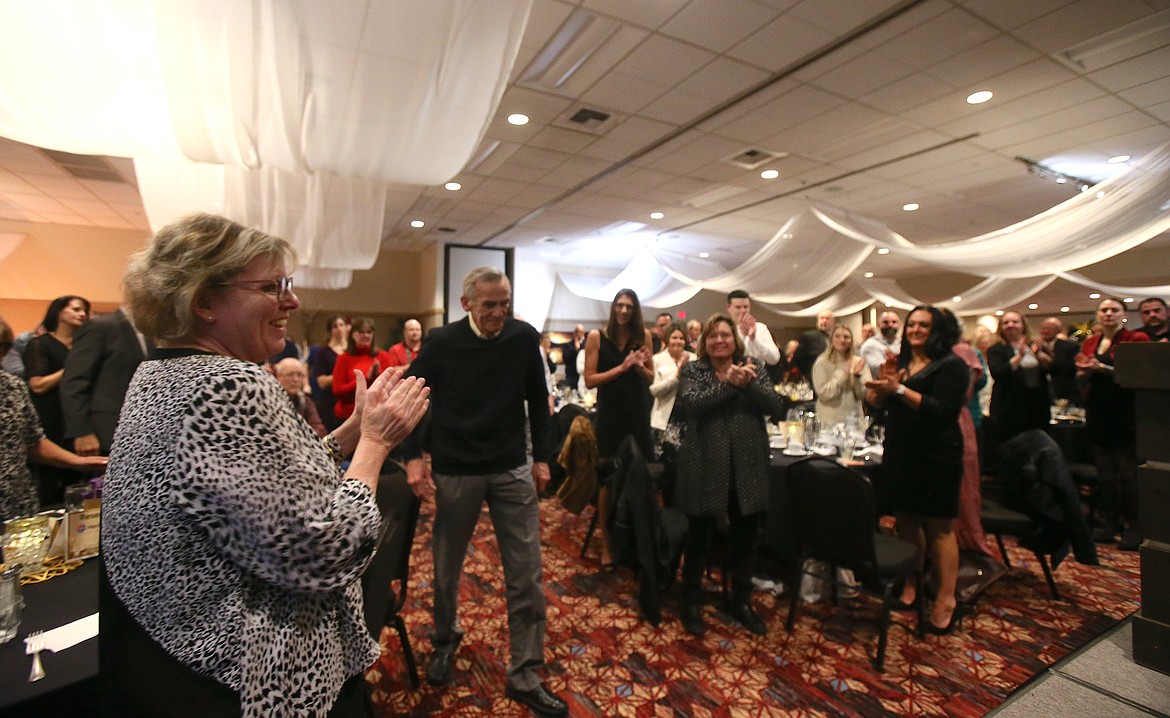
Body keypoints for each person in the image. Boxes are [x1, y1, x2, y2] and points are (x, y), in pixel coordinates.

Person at [100, 212, 430, 717]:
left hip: (165, 659)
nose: (292, 301)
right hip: (253, 675)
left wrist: (350, 433)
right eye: (272, 286)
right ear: (203, 301)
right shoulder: (228, 385)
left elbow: (267, 490)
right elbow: (324, 551)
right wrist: (376, 445)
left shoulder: (159, 376)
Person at [402, 267, 567, 718]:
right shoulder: (441, 342)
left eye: (504, 304)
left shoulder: (522, 338)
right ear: (466, 304)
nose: (498, 313)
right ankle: (444, 639)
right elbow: (411, 396)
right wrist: (413, 456)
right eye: (489, 304)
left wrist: (543, 457)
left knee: (527, 573)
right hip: (456, 469)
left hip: (511, 465)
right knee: (445, 568)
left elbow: (539, 399)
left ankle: (525, 672)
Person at [674, 314, 785, 637]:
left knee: (746, 540)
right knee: (699, 538)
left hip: (746, 464)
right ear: (704, 342)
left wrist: (748, 384)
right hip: (704, 462)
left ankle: (741, 601)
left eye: (725, 334)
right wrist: (729, 386)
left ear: (735, 340)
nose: (719, 340)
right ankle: (691, 600)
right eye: (712, 335)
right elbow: (691, 405)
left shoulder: (753, 367)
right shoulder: (695, 370)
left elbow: (776, 407)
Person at [866, 305, 970, 635]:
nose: (916, 330)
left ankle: (946, 597)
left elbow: (941, 410)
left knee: (939, 528)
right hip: (901, 450)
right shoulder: (903, 362)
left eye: (924, 325)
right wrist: (883, 385)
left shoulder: (952, 366)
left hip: (937, 453)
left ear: (937, 330)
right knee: (906, 522)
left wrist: (898, 388)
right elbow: (876, 405)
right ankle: (910, 585)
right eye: (912, 324)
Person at [1, 319, 108, 522]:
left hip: (17, 506)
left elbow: (33, 442)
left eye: (2, 346)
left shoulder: (12, 386)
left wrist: (77, 461)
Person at [584, 288, 654, 569]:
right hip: (610, 415)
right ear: (613, 309)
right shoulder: (597, 337)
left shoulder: (644, 337)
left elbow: (650, 379)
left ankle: (638, 539)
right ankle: (607, 544)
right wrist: (623, 368)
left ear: (635, 310)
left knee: (642, 475)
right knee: (607, 481)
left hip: (638, 414)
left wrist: (638, 368)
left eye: (629, 307)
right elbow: (590, 380)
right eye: (619, 306)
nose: (624, 311)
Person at [1076, 297, 1150, 551]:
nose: (1108, 314)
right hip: (1098, 413)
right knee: (1105, 474)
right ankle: (1109, 524)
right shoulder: (1090, 341)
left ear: (1123, 314)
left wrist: (1102, 367)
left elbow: (1139, 373)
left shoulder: (1135, 339)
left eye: (1114, 310)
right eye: (1104, 310)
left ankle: (1135, 527)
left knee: (1128, 474)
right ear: (1098, 314)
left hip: (1125, 413)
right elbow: (1083, 375)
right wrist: (1084, 371)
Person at [25, 295, 91, 505]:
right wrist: (72, 369)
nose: (82, 314)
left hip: (79, 421)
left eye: (84, 311)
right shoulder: (40, 344)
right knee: (50, 484)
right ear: (60, 312)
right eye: (76, 309)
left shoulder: (85, 346)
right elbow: (38, 385)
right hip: (51, 419)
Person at [60, 307, 147, 456]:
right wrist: (82, 432)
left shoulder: (153, 332)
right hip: (106, 432)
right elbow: (75, 382)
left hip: (140, 433)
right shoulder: (101, 327)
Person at [987, 311, 1051, 443]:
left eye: (1015, 322)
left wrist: (1039, 354)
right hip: (1009, 406)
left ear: (1023, 325)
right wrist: (1019, 356)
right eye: (1006, 322)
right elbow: (998, 373)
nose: (1010, 325)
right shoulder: (997, 349)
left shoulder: (1035, 345)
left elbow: (1053, 368)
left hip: (1036, 404)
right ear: (1001, 327)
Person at [331, 317, 392, 422]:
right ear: (352, 335)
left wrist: (376, 376)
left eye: (369, 332)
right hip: (349, 416)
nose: (366, 335)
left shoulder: (383, 356)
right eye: (361, 332)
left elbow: (390, 387)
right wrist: (364, 379)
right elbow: (338, 391)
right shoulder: (343, 358)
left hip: (377, 414)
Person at [650, 322, 696, 455]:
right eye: (674, 338)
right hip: (666, 418)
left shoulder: (693, 358)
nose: (678, 341)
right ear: (667, 339)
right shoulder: (657, 359)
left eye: (681, 338)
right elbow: (655, 391)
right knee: (668, 460)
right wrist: (677, 376)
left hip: (688, 416)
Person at [811, 324, 870, 427]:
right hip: (829, 421)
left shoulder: (859, 362)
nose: (842, 340)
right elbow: (824, 394)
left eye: (846, 337)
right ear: (831, 340)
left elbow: (863, 394)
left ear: (851, 341)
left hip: (854, 420)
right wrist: (844, 376)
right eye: (837, 336)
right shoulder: (822, 362)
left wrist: (856, 377)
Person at [310, 314, 350, 431]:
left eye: (341, 325)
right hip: (331, 402)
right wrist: (341, 376)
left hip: (351, 402)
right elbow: (321, 381)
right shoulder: (323, 353)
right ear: (330, 330)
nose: (339, 329)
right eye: (335, 326)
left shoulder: (352, 351)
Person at [274, 356, 327, 437]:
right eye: (290, 374)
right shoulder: (272, 400)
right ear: (278, 377)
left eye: (300, 375)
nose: (296, 379)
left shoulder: (305, 400)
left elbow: (319, 428)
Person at [726, 290, 781, 366]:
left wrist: (754, 339)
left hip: (757, 373)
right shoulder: (725, 329)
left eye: (746, 307)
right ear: (729, 308)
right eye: (738, 307)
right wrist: (742, 336)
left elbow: (774, 359)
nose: (743, 311)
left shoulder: (761, 328)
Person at [1036, 317, 1081, 406]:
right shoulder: (1034, 346)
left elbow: (1072, 367)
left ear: (1058, 330)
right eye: (1044, 328)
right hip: (1040, 392)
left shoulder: (1070, 346)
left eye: (1050, 328)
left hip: (1064, 391)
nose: (1045, 331)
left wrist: (1050, 361)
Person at [792, 309, 833, 380]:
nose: (824, 321)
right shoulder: (809, 336)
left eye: (827, 318)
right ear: (818, 321)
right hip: (814, 377)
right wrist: (807, 374)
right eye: (822, 318)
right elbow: (797, 358)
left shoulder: (836, 337)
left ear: (833, 321)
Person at [859, 310, 901, 380]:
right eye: (886, 322)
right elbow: (879, 372)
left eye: (894, 322)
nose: (890, 325)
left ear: (899, 324)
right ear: (878, 325)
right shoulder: (870, 345)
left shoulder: (904, 343)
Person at [561, 323, 586, 390]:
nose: (579, 334)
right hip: (571, 376)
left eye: (581, 332)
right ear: (574, 333)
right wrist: (575, 349)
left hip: (582, 376)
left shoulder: (586, 345)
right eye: (577, 332)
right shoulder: (568, 345)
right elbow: (566, 359)